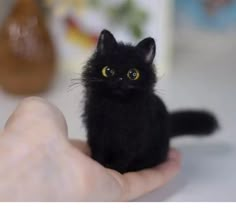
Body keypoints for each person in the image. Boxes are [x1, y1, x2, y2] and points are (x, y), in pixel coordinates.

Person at [0, 97, 181, 201]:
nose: (119, 81)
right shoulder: (96, 106)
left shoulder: (145, 110)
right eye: (108, 72)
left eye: (132, 75)